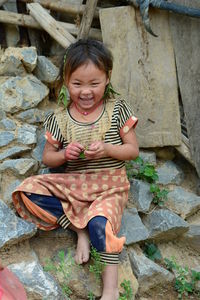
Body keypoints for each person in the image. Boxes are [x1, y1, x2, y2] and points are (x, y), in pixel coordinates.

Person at [12, 39, 139, 300]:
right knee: (26, 191)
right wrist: (62, 155)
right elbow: (48, 158)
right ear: (66, 81)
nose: (86, 91)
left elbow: (132, 150)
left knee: (100, 224)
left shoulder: (117, 110)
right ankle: (77, 229)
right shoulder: (59, 117)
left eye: (94, 83)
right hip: (74, 186)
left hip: (110, 186)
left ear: (107, 78)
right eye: (77, 84)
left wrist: (107, 149)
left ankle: (111, 290)